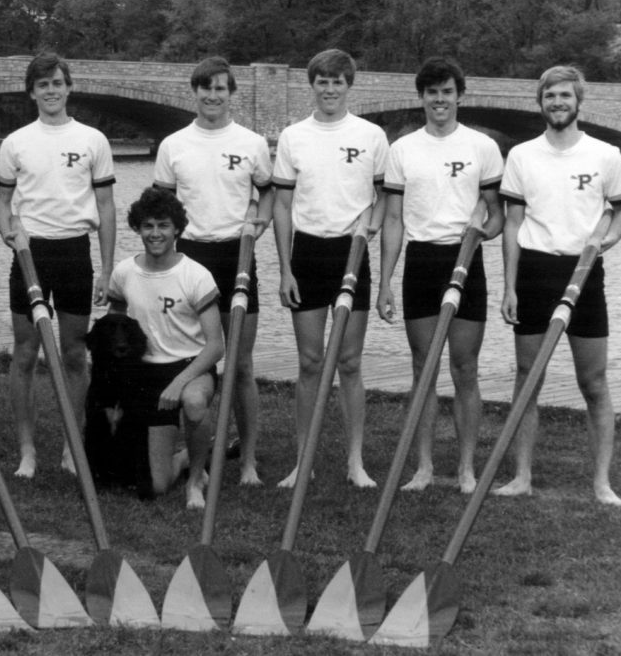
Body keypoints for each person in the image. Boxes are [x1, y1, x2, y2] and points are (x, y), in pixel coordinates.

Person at [495, 65, 621, 506]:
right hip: (536, 272)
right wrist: (510, 287)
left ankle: (601, 484)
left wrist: (603, 240)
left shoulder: (605, 154)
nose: (557, 102)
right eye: (550, 95)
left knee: (593, 381)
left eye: (565, 96)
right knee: (527, 378)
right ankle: (521, 476)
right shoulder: (521, 156)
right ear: (541, 101)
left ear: (578, 102)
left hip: (585, 274)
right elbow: (513, 224)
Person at [376, 58, 504, 493]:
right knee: (423, 368)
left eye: (447, 91)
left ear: (459, 95)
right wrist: (384, 283)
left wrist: (482, 229)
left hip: (466, 261)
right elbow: (392, 220)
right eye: (431, 92)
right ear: (422, 98)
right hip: (422, 263)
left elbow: (498, 212)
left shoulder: (482, 146)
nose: (439, 100)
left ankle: (466, 469)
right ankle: (424, 468)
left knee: (465, 367)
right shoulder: (402, 149)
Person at [0, 52, 116, 478]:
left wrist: (106, 267)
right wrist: (11, 233)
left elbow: (105, 205)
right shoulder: (15, 143)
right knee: (25, 353)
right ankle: (27, 450)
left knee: (74, 355)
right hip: (30, 256)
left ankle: (72, 444)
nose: (51, 91)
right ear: (32, 92)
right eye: (42, 84)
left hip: (74, 253)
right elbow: (2, 205)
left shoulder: (92, 140)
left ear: (68, 87)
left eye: (57, 83)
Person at [153, 56, 273, 485]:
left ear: (230, 93)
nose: (213, 96)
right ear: (195, 92)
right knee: (187, 360)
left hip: (236, 256)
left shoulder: (253, 143)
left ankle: (249, 462)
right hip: (187, 259)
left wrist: (260, 224)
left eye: (220, 88)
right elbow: (160, 210)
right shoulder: (173, 145)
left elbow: (268, 195)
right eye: (205, 88)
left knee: (239, 364)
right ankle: (193, 456)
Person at [271, 49, 387, 489]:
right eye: (322, 81)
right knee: (309, 361)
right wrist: (285, 269)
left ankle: (355, 463)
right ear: (312, 85)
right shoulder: (293, 136)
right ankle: (304, 461)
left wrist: (368, 227)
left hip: (351, 254)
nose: (330, 89)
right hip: (307, 254)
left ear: (349, 85)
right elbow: (282, 205)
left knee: (351, 362)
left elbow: (383, 201)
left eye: (338, 81)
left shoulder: (372, 135)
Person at [107, 187, 224, 508]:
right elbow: (114, 329)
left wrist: (179, 381)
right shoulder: (124, 272)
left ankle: (196, 480)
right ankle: (186, 457)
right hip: (146, 374)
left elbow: (215, 347)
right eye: (148, 226)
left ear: (177, 230)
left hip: (190, 367)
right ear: (137, 228)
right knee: (154, 486)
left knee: (194, 402)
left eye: (163, 225)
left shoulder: (196, 276)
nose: (155, 233)